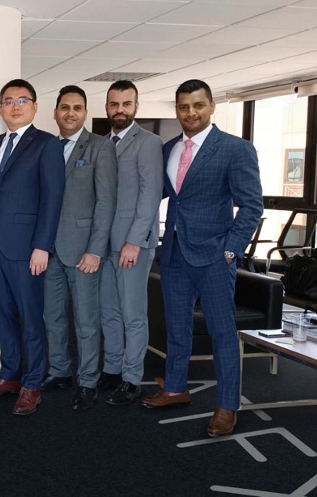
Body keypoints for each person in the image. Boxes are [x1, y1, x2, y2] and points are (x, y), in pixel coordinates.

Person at [141, 79, 262, 437]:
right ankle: (175, 387)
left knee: (222, 333)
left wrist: (231, 248)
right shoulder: (169, 149)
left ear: (211, 106)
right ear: (177, 110)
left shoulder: (235, 149)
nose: (190, 113)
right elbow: (162, 195)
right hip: (174, 252)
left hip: (214, 256)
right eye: (183, 107)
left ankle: (227, 405)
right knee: (177, 328)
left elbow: (252, 205)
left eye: (197, 105)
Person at [0, 79, 65, 416]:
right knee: (2, 315)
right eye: (8, 101)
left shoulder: (46, 144)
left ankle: (32, 384)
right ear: (1, 108)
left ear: (34, 106)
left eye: (22, 100)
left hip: (28, 249)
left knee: (30, 318)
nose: (15, 106)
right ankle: (10, 374)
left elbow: (52, 199)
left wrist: (42, 246)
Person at [41, 85, 117, 411]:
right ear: (55, 112)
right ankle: (59, 370)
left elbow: (106, 202)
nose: (70, 113)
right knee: (52, 316)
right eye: (65, 107)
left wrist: (96, 250)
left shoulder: (100, 146)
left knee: (86, 321)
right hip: (49, 249)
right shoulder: (47, 146)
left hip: (84, 251)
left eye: (77, 107)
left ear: (85, 112)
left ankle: (87, 382)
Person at [98, 80, 163, 406]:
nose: (120, 110)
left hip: (131, 245)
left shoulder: (149, 143)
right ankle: (112, 369)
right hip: (104, 244)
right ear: (107, 107)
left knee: (133, 315)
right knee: (108, 311)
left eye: (126, 104)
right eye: (114, 104)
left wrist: (135, 242)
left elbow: (151, 196)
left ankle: (132, 378)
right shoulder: (101, 143)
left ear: (136, 106)